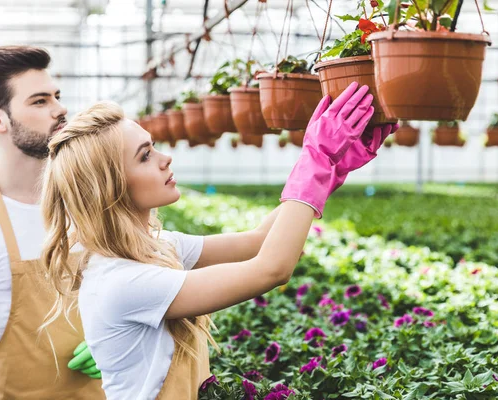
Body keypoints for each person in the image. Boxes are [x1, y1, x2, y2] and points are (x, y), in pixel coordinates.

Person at [39, 82, 396, 400]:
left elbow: (261, 241)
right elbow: (270, 268)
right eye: (145, 155)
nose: (166, 159)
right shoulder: (122, 281)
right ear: (111, 188)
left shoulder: (157, 247)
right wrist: (315, 159)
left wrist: (334, 168)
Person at [0, 46, 105, 399]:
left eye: (57, 97)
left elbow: (151, 286)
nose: (60, 109)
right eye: (39, 101)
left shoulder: (91, 202)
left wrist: (120, 335)